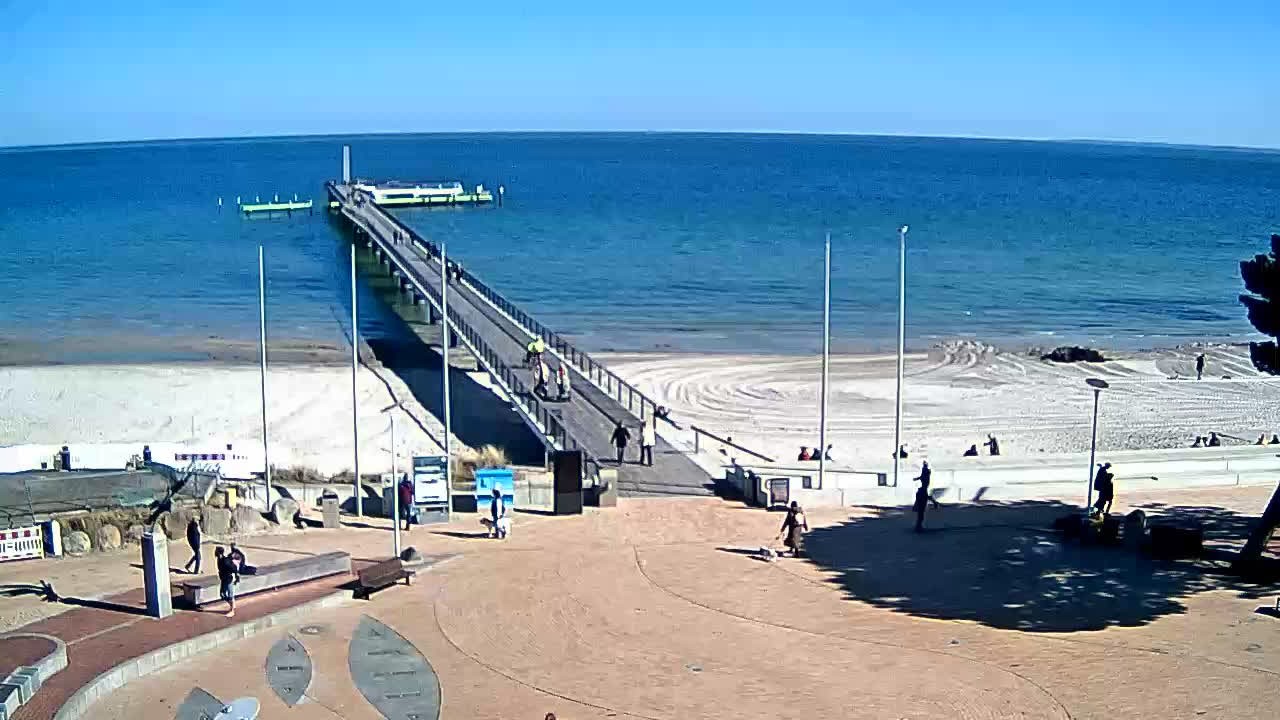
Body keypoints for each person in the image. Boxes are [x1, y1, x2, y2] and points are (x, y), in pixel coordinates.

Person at [215, 546, 239, 618]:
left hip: (228, 579)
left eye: (216, 551)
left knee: (230, 595)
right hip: (223, 579)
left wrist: (237, 577)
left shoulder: (225, 561)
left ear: (219, 552)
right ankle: (232, 604)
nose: (214, 552)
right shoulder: (219, 559)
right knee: (222, 594)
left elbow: (234, 568)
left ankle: (232, 611)